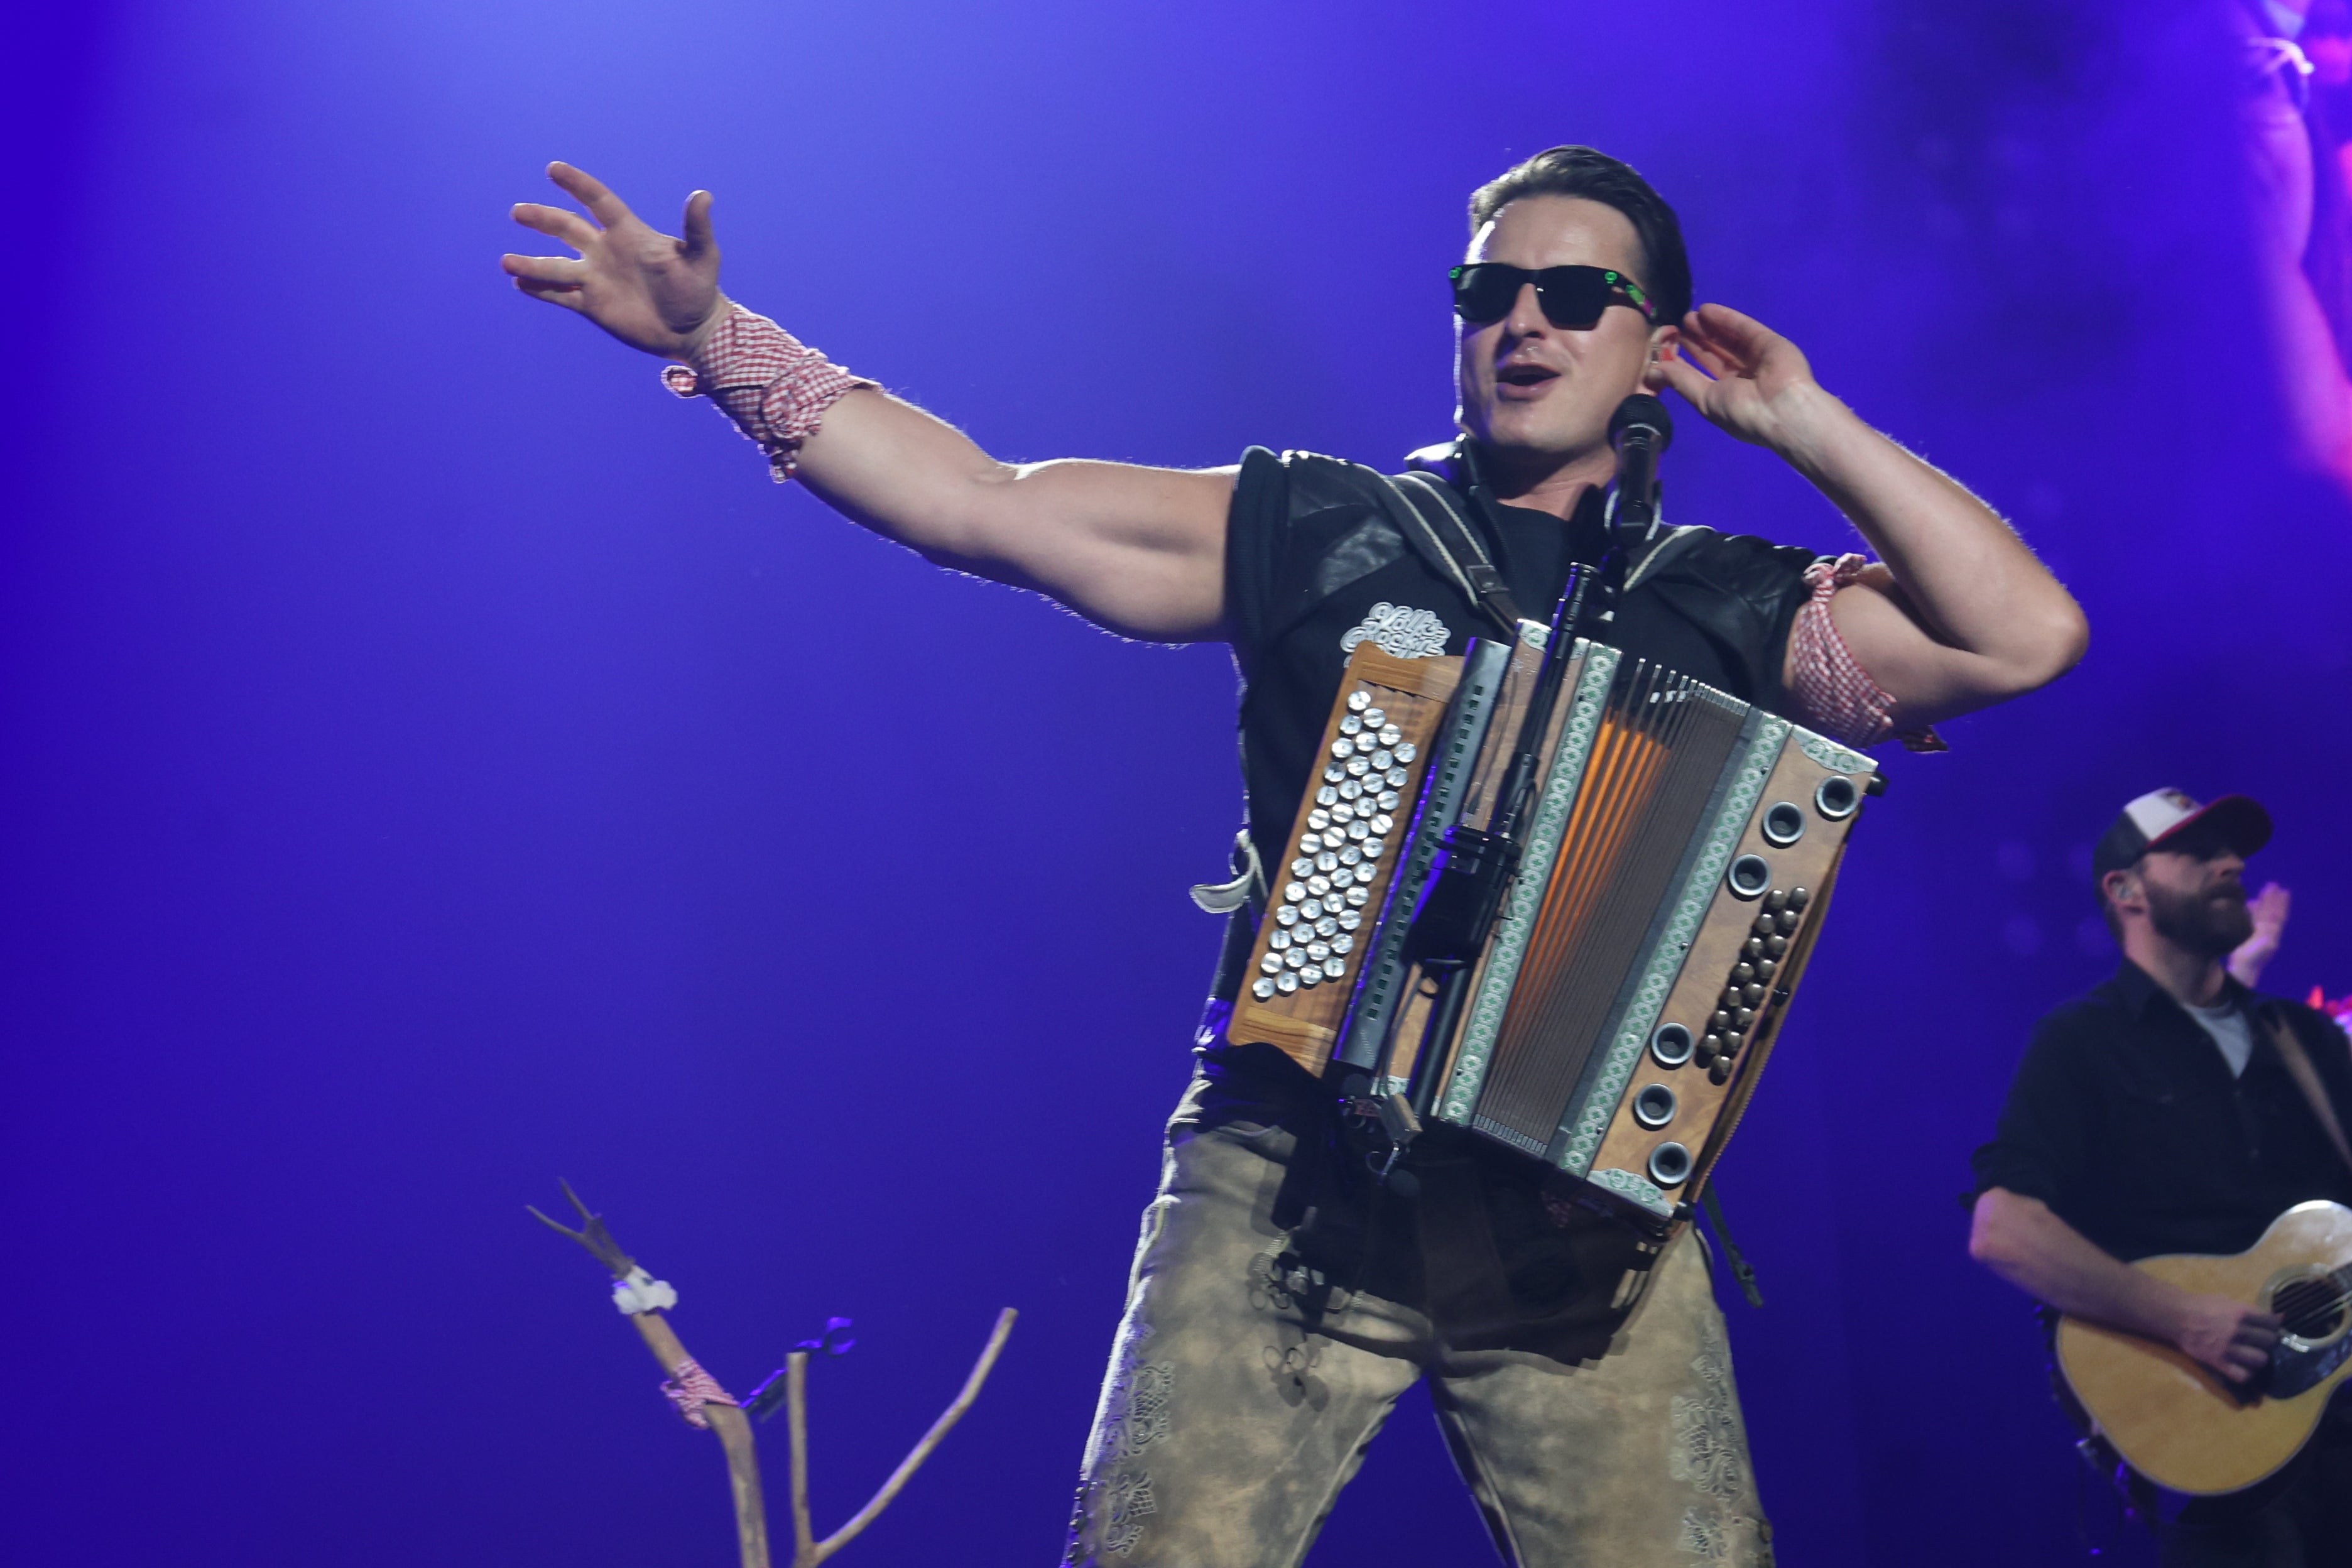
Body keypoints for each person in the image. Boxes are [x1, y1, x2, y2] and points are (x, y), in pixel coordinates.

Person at [503, 145, 2088, 1567]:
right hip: (1283, 1172)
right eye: (1487, 290)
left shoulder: (1733, 604)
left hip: (1574, 1237)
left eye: (1571, 295)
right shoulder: (1320, 527)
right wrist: (718, 338)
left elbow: (2021, 638)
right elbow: (980, 504)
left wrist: (1800, 418)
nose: (1520, 321)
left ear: (1654, 346)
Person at [1969, 788, 2352, 1565]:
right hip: (2221, 1440)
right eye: (2199, 853)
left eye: (2235, 852)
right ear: (2126, 889)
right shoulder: (2082, 1044)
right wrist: (2184, 1319)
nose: (2233, 865)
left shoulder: (2306, 1039)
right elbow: (2003, 1230)